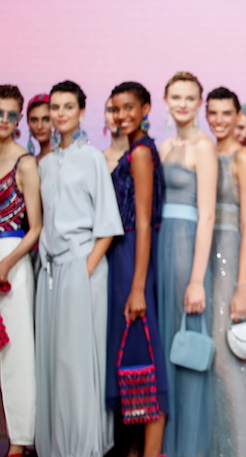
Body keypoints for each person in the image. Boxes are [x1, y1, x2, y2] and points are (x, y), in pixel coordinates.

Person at [36, 80, 124, 457]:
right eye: (55, 107)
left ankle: (84, 445)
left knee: (78, 360)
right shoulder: (44, 163)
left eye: (67, 106)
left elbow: (108, 224)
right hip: (50, 270)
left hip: (82, 265)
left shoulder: (92, 157)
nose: (59, 114)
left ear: (81, 111)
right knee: (53, 359)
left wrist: (85, 270)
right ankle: (55, 444)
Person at [105, 81, 169, 457]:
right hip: (124, 257)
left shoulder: (142, 152)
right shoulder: (132, 150)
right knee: (130, 360)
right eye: (116, 109)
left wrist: (137, 287)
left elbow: (144, 222)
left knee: (144, 358)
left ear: (146, 109)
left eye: (129, 107)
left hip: (134, 256)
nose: (122, 115)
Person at [157, 71, 217, 457]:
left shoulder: (203, 147)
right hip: (163, 247)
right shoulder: (163, 147)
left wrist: (197, 280)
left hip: (187, 251)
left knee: (188, 349)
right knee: (165, 346)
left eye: (189, 97)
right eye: (175, 96)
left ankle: (189, 447)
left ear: (199, 102)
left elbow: (207, 215)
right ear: (166, 100)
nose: (181, 103)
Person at [205, 87, 246, 456]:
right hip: (202, 254)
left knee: (226, 357)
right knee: (208, 353)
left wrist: (243, 286)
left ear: (238, 115)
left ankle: (238, 448)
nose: (220, 120)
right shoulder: (203, 153)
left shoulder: (241, 158)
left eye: (227, 113)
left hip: (228, 251)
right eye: (214, 113)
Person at [0, 85, 40, 457]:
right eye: (0, 113)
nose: (6, 121)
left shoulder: (25, 162)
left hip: (13, 256)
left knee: (16, 352)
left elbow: (36, 227)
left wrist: (7, 264)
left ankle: (19, 440)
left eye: (13, 115)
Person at [103, 97, 129, 173]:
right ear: (105, 115)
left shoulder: (142, 156)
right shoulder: (97, 159)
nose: (115, 116)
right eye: (111, 110)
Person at [25, 93, 51, 162]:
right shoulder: (28, 162)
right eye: (34, 120)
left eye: (46, 119)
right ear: (28, 122)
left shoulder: (67, 159)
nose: (39, 126)